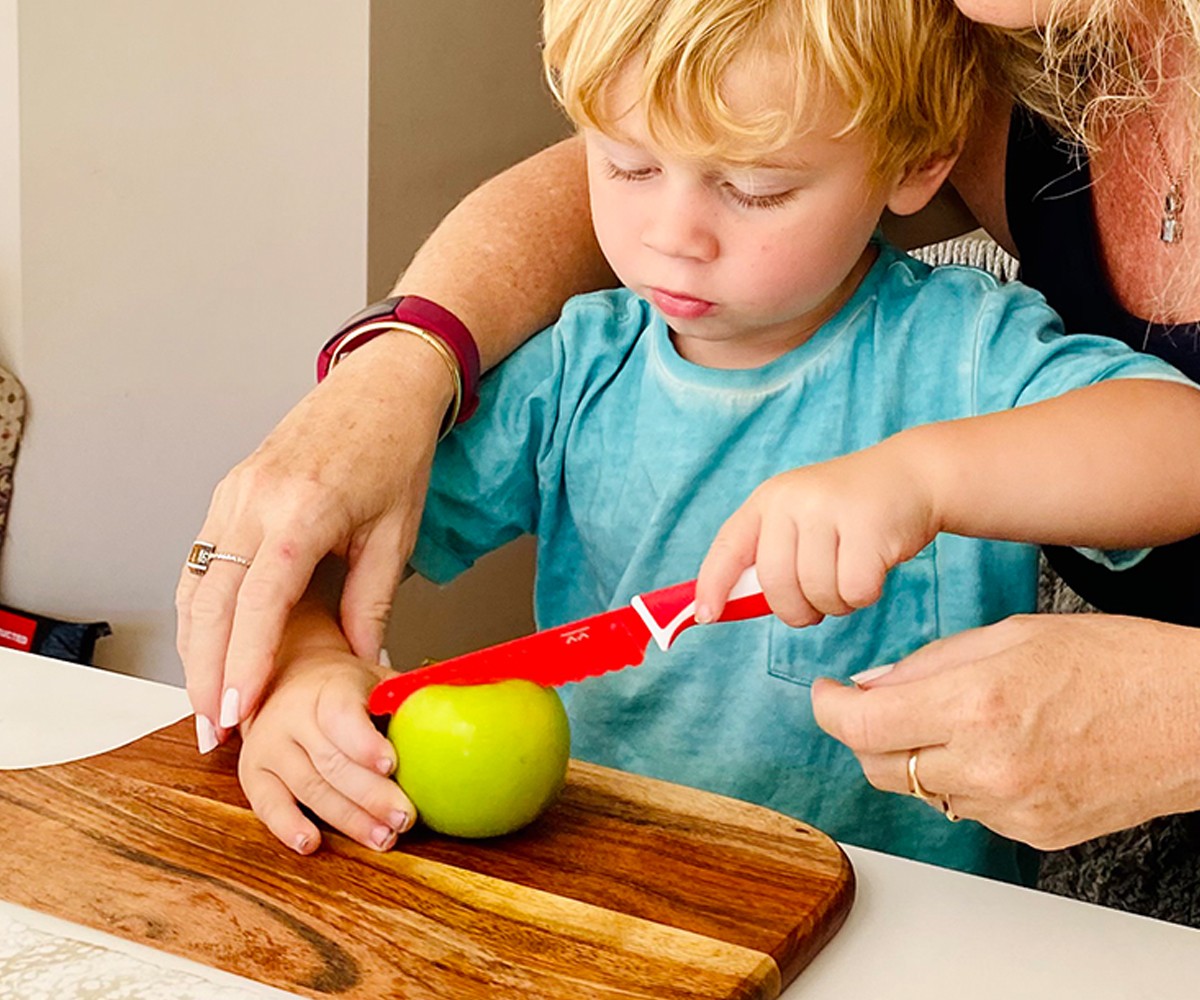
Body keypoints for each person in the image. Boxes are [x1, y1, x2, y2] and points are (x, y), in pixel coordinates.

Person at [177, 0, 1200, 920]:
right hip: (614, 912)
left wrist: (926, 476)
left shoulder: (966, 354)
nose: (673, 236)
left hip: (911, 933)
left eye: (754, 190)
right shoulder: (577, 367)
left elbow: (1179, 441)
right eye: (625, 166)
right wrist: (312, 668)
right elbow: (327, 549)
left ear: (915, 163)